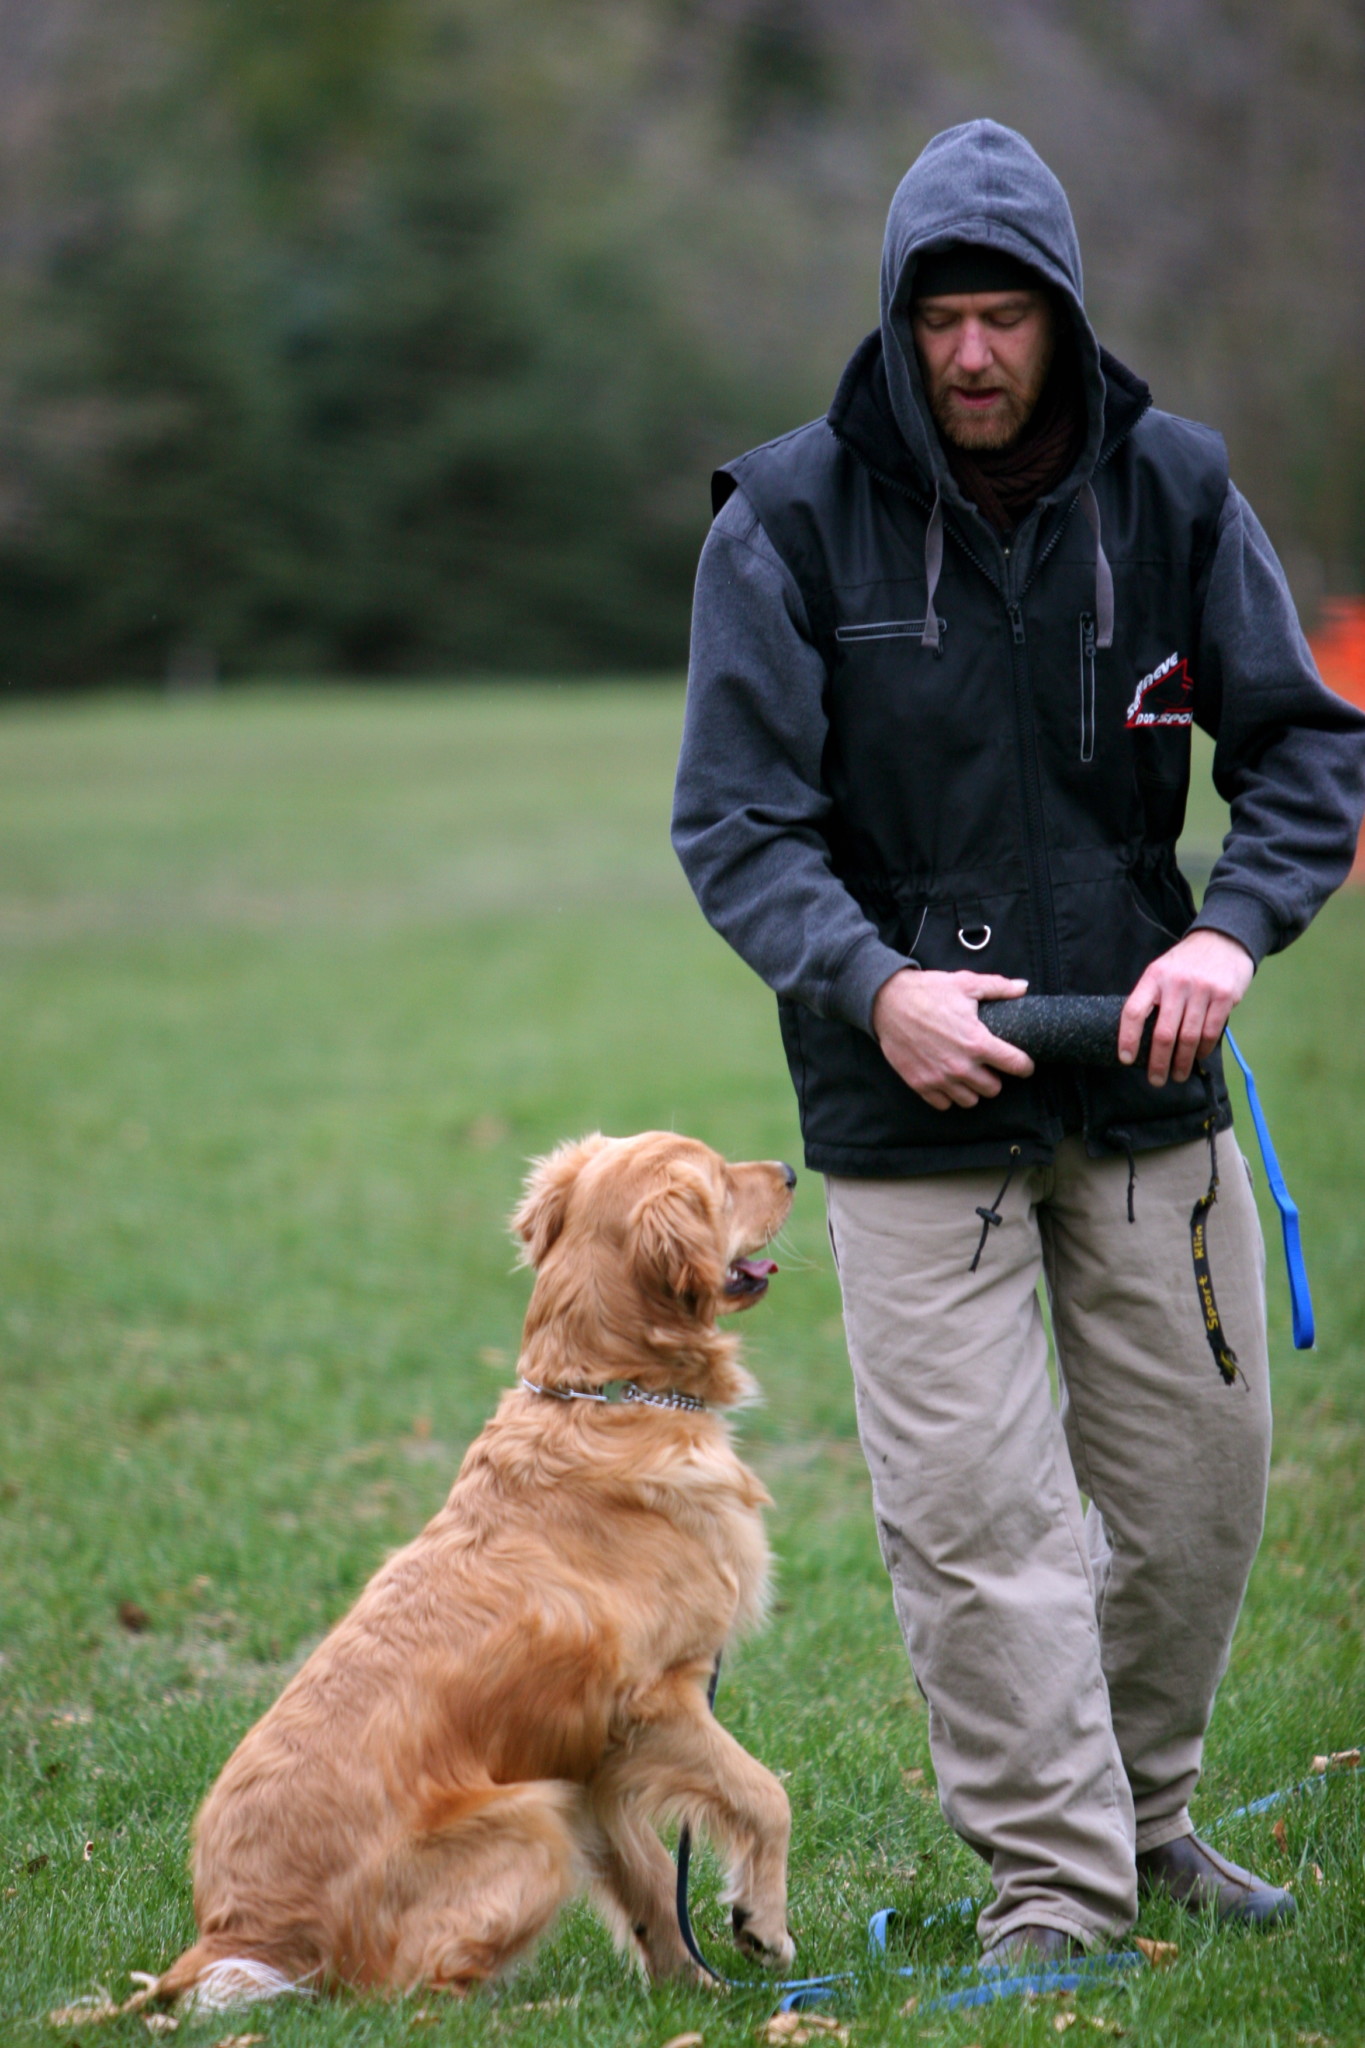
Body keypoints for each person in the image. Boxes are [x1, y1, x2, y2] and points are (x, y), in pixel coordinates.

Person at [671, 119, 1365, 1962]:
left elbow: (1304, 753)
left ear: (1060, 315)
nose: (971, 355)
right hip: (908, 1107)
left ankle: (1147, 1827)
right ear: (894, 325)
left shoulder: (1179, 491)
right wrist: (874, 983)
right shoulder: (785, 518)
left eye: (1004, 317)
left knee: (1195, 1497)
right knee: (985, 1526)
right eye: (939, 321)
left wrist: (1229, 930)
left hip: (1147, 1085)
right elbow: (736, 820)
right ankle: (1047, 1890)